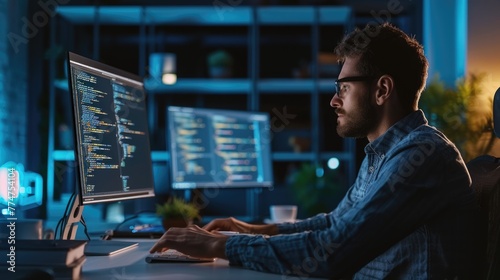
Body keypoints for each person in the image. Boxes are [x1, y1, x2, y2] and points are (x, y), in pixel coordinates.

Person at [150, 23, 485, 279]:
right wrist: (257, 230)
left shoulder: (423, 154)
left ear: (382, 89)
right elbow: (336, 223)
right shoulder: (384, 154)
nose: (333, 101)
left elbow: (333, 250)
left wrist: (217, 244)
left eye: (343, 88)